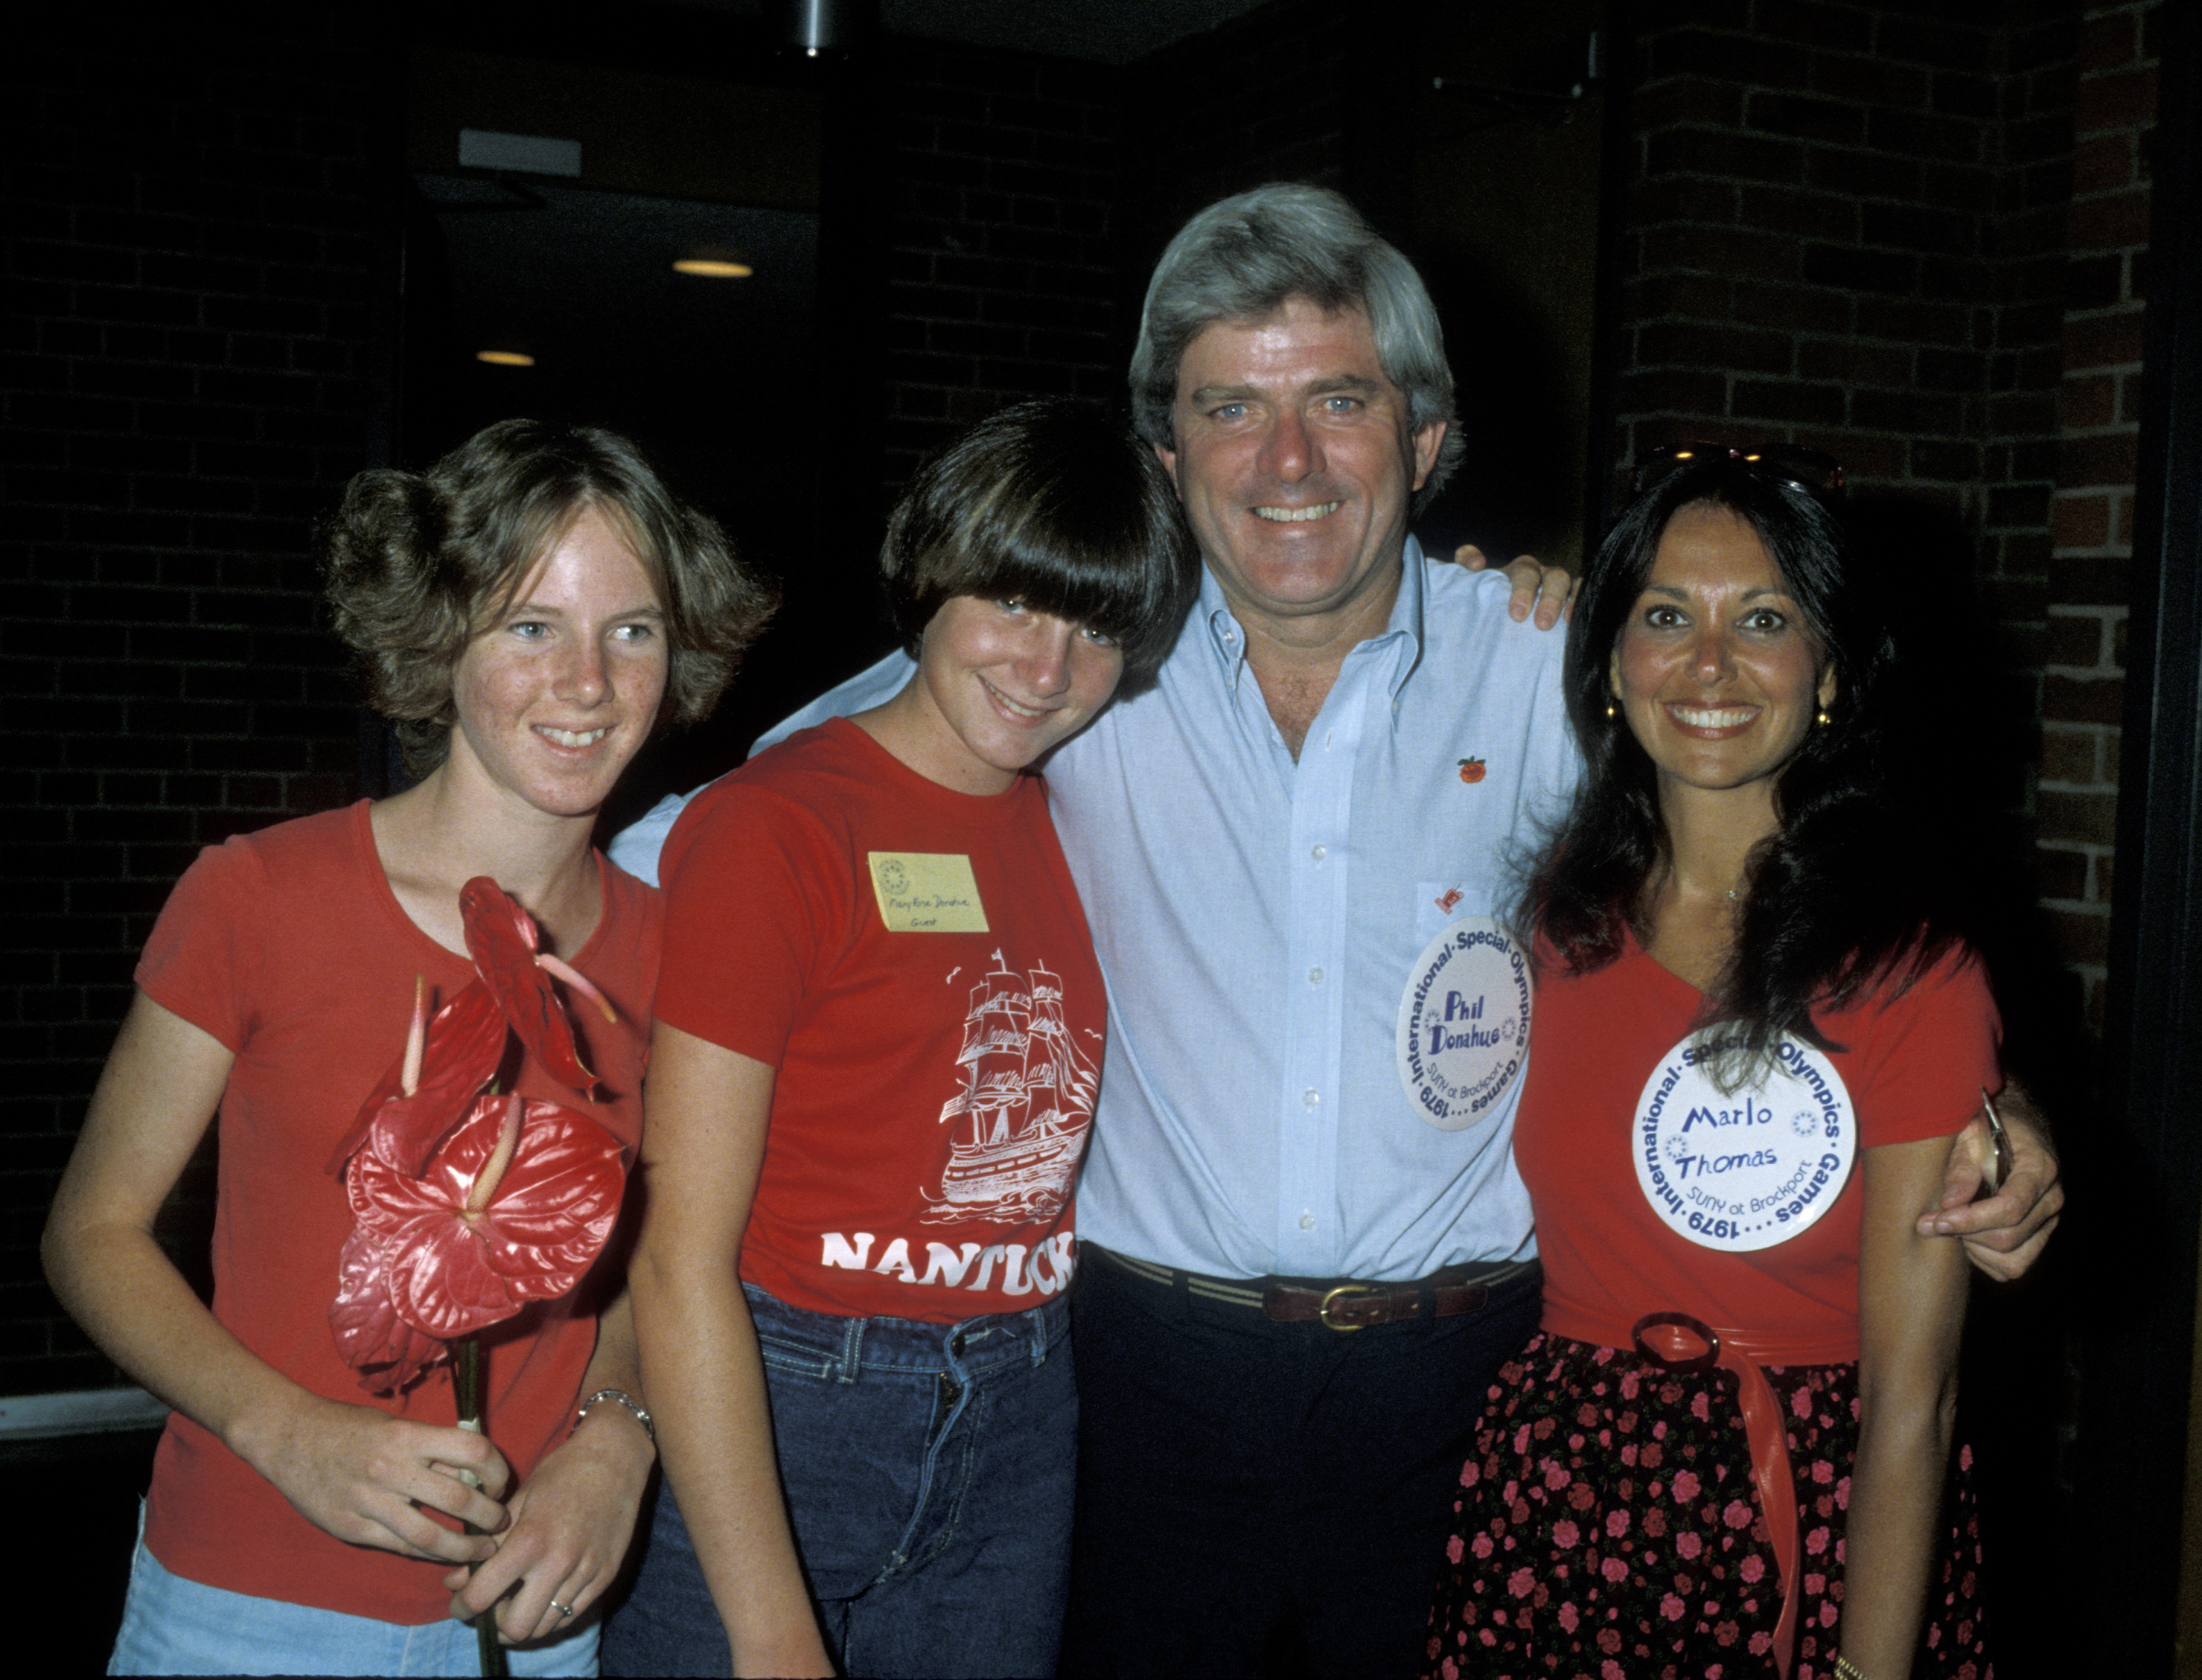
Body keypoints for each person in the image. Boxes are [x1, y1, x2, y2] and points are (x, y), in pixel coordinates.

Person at [610, 184, 2061, 1678]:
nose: (1286, 460)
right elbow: (689, 855)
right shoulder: (1064, 663)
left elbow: (1796, 874)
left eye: (1340, 400)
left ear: (1426, 441)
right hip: (1133, 1394)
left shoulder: (1561, 667)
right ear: (1165, 455)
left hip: (1468, 1398)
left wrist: (1978, 1103)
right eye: (1230, 406)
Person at [42, 418, 774, 1676]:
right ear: (440, 639)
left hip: (529, 1615)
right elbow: (90, 1231)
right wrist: (285, 1429)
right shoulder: (259, 895)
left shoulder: (675, 947)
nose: (589, 682)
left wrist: (616, 1438)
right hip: (247, 1600)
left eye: (632, 628)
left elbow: (656, 1262)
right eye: (531, 624)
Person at [599, 399, 1195, 1679]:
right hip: (794, 1398)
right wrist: (770, 1631)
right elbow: (675, 1258)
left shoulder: (1077, 819)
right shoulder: (777, 826)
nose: (1049, 666)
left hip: (1027, 1402)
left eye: (1096, 627)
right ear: (929, 579)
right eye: (1013, 603)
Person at [1423, 447, 1993, 1677]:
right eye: (1668, 615)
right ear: (1615, 661)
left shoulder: (1906, 964)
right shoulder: (1553, 920)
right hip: (1557, 1508)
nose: (1710, 664)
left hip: (1807, 1522)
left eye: (1767, 619)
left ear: (1830, 671)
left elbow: (1918, 1400)